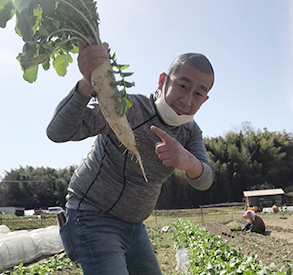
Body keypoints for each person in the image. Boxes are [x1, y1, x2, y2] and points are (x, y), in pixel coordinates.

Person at [46, 40, 215, 275]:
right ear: (162, 81)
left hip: (135, 227)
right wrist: (87, 83)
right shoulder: (128, 107)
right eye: (182, 86)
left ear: (204, 100)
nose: (187, 101)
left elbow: (205, 179)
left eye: (198, 93)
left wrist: (187, 161)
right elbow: (58, 131)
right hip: (93, 216)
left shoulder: (190, 132)